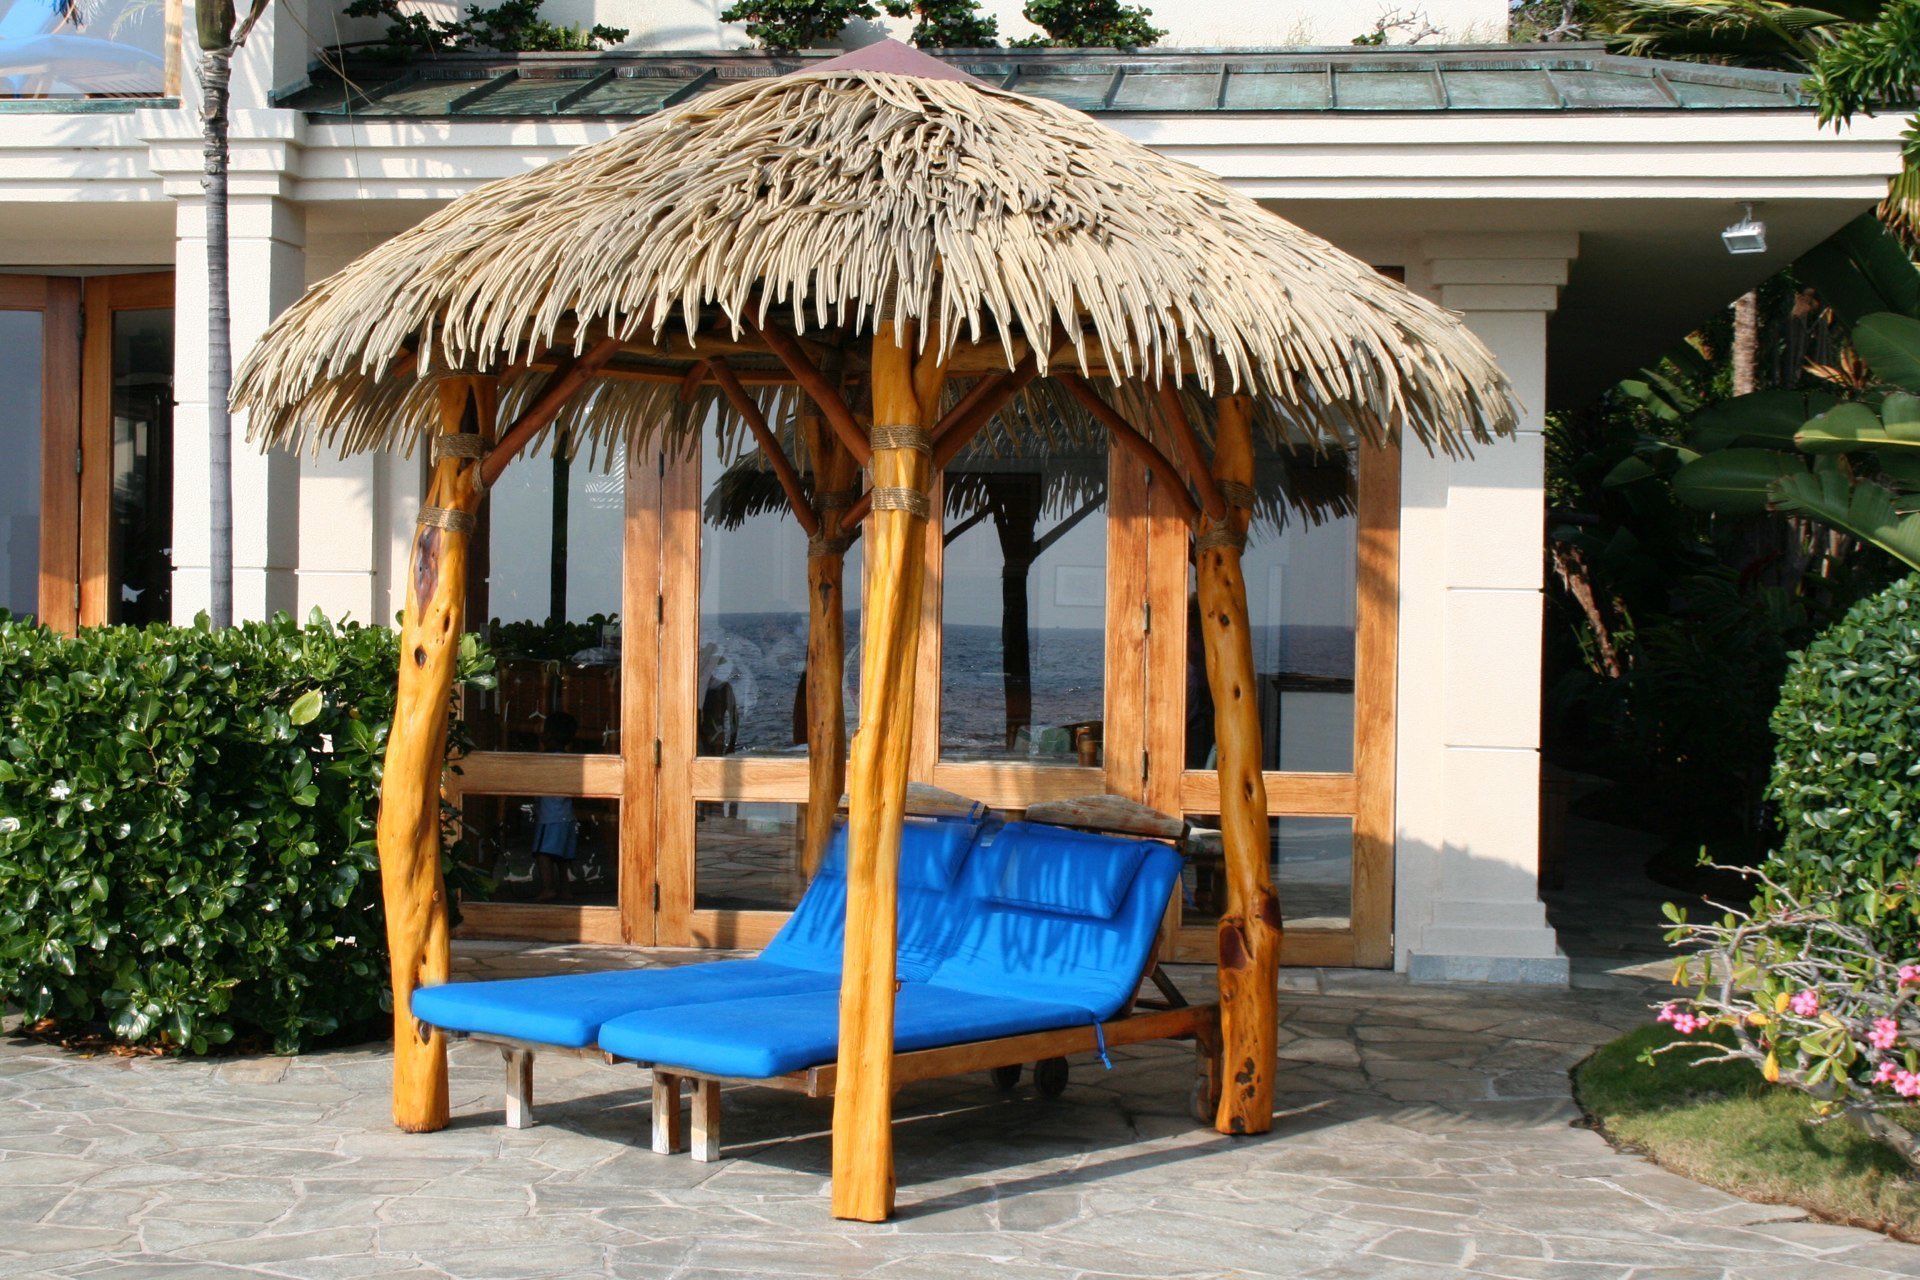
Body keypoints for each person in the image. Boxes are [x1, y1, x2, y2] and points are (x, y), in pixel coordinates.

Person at [531, 711, 580, 901]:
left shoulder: (546, 759)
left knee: (544, 854)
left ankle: (548, 887)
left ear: (549, 735)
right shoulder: (569, 759)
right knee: (563, 858)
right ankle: (565, 889)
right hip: (567, 815)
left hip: (550, 817)